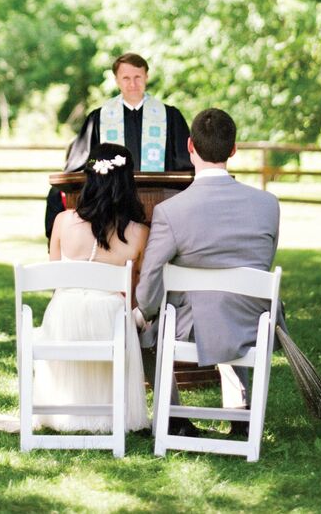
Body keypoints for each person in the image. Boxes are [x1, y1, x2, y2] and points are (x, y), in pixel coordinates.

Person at [135, 108, 282, 436]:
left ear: (190, 146)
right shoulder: (268, 205)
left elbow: (149, 287)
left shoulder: (171, 211)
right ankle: (240, 412)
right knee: (232, 302)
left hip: (194, 326)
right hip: (253, 322)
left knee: (142, 324)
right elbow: (263, 264)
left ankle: (174, 418)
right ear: (233, 150)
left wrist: (144, 311)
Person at [33, 143, 150, 433]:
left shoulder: (62, 221)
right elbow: (134, 289)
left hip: (64, 318)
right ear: (127, 180)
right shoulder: (139, 232)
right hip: (110, 322)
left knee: (62, 307)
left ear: (91, 176)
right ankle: (112, 414)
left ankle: (63, 412)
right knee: (123, 317)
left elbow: (55, 281)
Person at [45, 52, 192, 238]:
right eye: (126, 78)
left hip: (160, 203)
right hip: (111, 201)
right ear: (116, 80)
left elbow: (185, 164)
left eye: (138, 77)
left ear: (146, 76)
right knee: (54, 195)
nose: (132, 84)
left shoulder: (170, 117)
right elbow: (80, 164)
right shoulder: (99, 118)